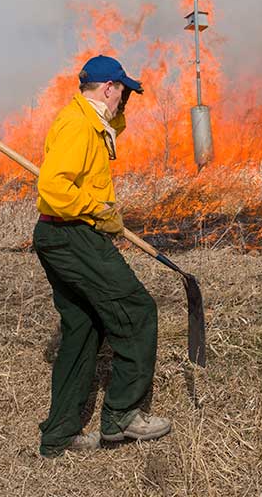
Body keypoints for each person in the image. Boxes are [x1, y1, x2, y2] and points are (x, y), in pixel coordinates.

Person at [33, 55, 170, 457]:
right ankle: (122, 416)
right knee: (137, 309)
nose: (123, 97)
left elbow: (109, 131)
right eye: (122, 91)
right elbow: (53, 189)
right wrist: (97, 211)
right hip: (72, 235)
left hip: (61, 235)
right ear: (108, 87)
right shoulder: (77, 124)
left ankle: (60, 434)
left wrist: (121, 110)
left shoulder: (90, 120)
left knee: (85, 326)